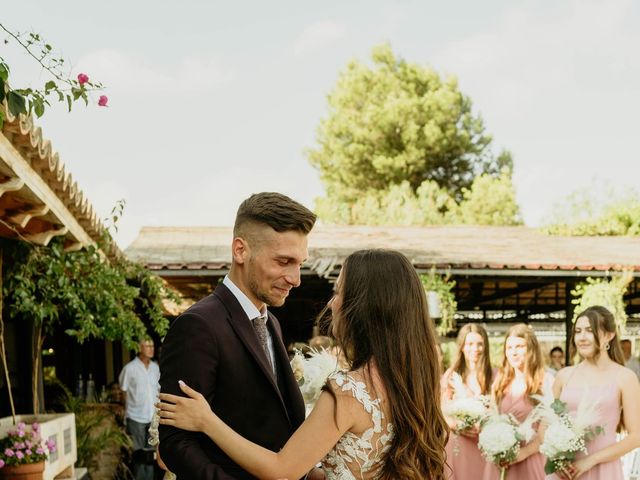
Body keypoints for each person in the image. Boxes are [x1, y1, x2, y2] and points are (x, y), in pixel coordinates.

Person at [158, 249, 449, 480]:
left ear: (364, 306)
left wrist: (206, 421)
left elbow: (281, 469)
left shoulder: (348, 390)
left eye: (338, 291)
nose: (332, 303)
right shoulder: (413, 382)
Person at [158, 192, 318, 479]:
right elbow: (175, 443)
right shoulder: (198, 325)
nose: (296, 279)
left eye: (300, 264)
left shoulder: (273, 324)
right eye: (283, 261)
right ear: (240, 251)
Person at [549, 306, 640, 480]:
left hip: (603, 471)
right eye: (578, 331)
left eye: (590, 331)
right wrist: (556, 456)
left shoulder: (625, 377)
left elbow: (636, 437)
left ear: (609, 335)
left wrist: (591, 460)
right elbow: (547, 426)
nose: (582, 337)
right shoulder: (564, 376)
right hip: (564, 471)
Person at [483, 324, 554, 480]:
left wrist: (523, 453)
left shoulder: (546, 382)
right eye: (509, 347)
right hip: (501, 461)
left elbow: (546, 432)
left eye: (519, 346)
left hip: (530, 459)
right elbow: (491, 419)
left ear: (531, 348)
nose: (513, 352)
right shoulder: (500, 382)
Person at [441, 324, 493, 480]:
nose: (475, 349)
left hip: (485, 445)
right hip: (459, 443)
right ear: (462, 346)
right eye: (470, 344)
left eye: (479, 344)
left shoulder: (494, 376)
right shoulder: (451, 375)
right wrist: (458, 426)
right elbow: (442, 411)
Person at [119, 338, 160, 480]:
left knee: (151, 457)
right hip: (135, 417)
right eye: (147, 345)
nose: (151, 348)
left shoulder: (156, 368)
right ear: (139, 348)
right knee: (138, 457)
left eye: (152, 345)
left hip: (153, 419)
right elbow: (123, 392)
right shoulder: (129, 368)